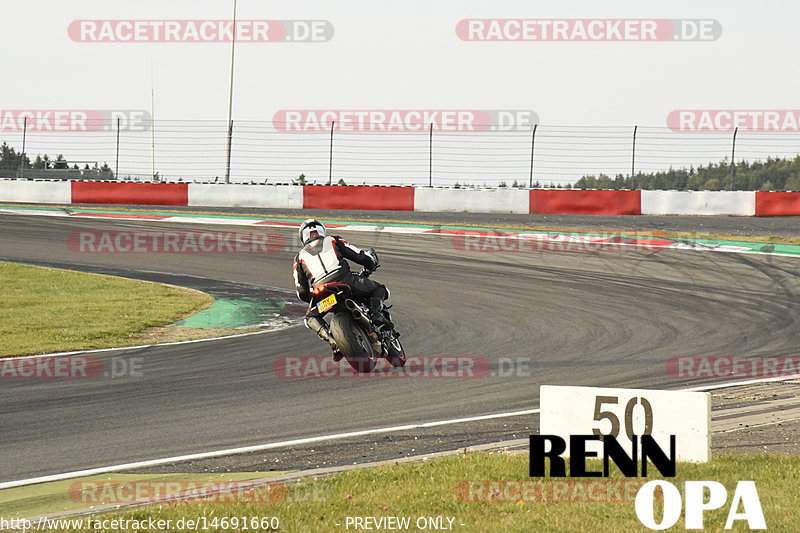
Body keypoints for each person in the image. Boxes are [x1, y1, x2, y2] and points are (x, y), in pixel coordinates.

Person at [293, 218, 393, 355]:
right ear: (321, 230)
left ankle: (332, 341)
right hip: (345, 280)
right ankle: (376, 315)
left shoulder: (299, 258)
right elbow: (360, 256)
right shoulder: (332, 240)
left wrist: (313, 297)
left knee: (310, 318)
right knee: (380, 289)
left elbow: (301, 291)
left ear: (302, 237)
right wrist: (371, 263)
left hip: (321, 291)